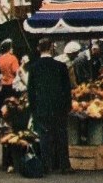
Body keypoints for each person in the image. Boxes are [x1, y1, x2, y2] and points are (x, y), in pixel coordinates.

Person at [28, 37, 74, 174]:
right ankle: (64, 165)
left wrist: (33, 108)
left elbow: (31, 90)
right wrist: (68, 105)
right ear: (52, 48)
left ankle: (46, 165)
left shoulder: (33, 68)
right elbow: (67, 89)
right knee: (61, 135)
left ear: (38, 49)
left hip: (42, 107)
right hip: (59, 106)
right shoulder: (61, 66)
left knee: (44, 136)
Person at [0, 39, 20, 112]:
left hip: (3, 86)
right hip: (12, 86)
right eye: (11, 47)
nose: (12, 49)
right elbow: (17, 72)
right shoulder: (13, 58)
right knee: (13, 108)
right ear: (8, 48)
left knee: (4, 107)